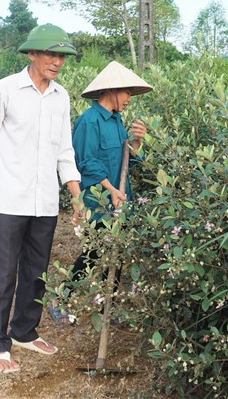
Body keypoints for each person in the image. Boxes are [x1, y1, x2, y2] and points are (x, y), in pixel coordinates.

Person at [0, 23, 83, 374]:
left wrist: (76, 197)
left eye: (61, 56)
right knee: (3, 273)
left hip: (45, 200)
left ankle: (23, 330)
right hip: (8, 197)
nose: (57, 62)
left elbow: (65, 150)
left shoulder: (60, 97)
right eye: (50, 54)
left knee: (37, 272)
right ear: (32, 54)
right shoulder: (3, 91)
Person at [48, 61, 152, 322]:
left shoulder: (117, 121)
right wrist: (111, 190)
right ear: (113, 90)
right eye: (127, 92)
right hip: (99, 202)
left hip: (120, 200)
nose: (129, 99)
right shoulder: (88, 121)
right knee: (94, 254)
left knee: (117, 254)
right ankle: (60, 298)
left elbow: (128, 159)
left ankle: (110, 307)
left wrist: (137, 141)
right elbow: (85, 162)